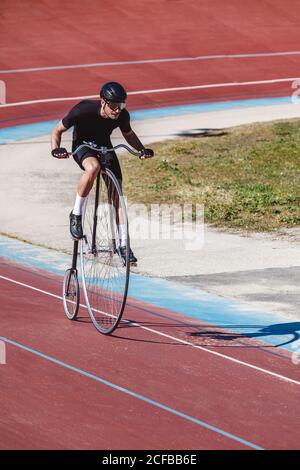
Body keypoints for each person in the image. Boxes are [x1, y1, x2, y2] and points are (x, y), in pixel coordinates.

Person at [51, 81, 154, 264]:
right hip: (83, 145)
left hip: (105, 147)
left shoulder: (122, 115)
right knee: (93, 168)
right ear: (103, 102)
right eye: (114, 106)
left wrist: (142, 150)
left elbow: (129, 135)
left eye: (121, 105)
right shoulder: (83, 109)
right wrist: (56, 149)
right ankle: (76, 215)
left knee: (118, 196)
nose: (117, 110)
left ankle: (123, 244)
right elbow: (57, 130)